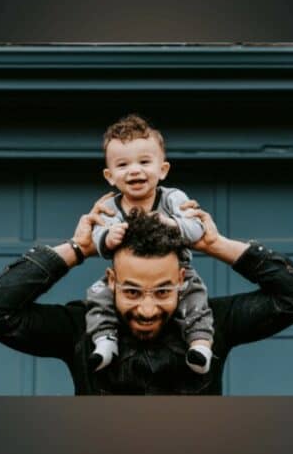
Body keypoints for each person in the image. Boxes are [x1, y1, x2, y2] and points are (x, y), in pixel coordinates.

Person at [0, 199, 293, 396]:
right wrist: (77, 249)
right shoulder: (80, 327)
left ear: (182, 280)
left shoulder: (214, 322)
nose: (148, 309)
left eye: (164, 291)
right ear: (112, 280)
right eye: (133, 291)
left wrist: (216, 245)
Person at [86, 113, 213, 375]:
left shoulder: (173, 199)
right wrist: (107, 238)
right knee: (98, 294)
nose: (134, 170)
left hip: (179, 272)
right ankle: (105, 339)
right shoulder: (109, 206)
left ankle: (200, 344)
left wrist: (173, 224)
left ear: (162, 169)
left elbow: (195, 227)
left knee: (196, 297)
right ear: (110, 176)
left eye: (144, 162)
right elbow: (97, 238)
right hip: (126, 277)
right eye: (123, 165)